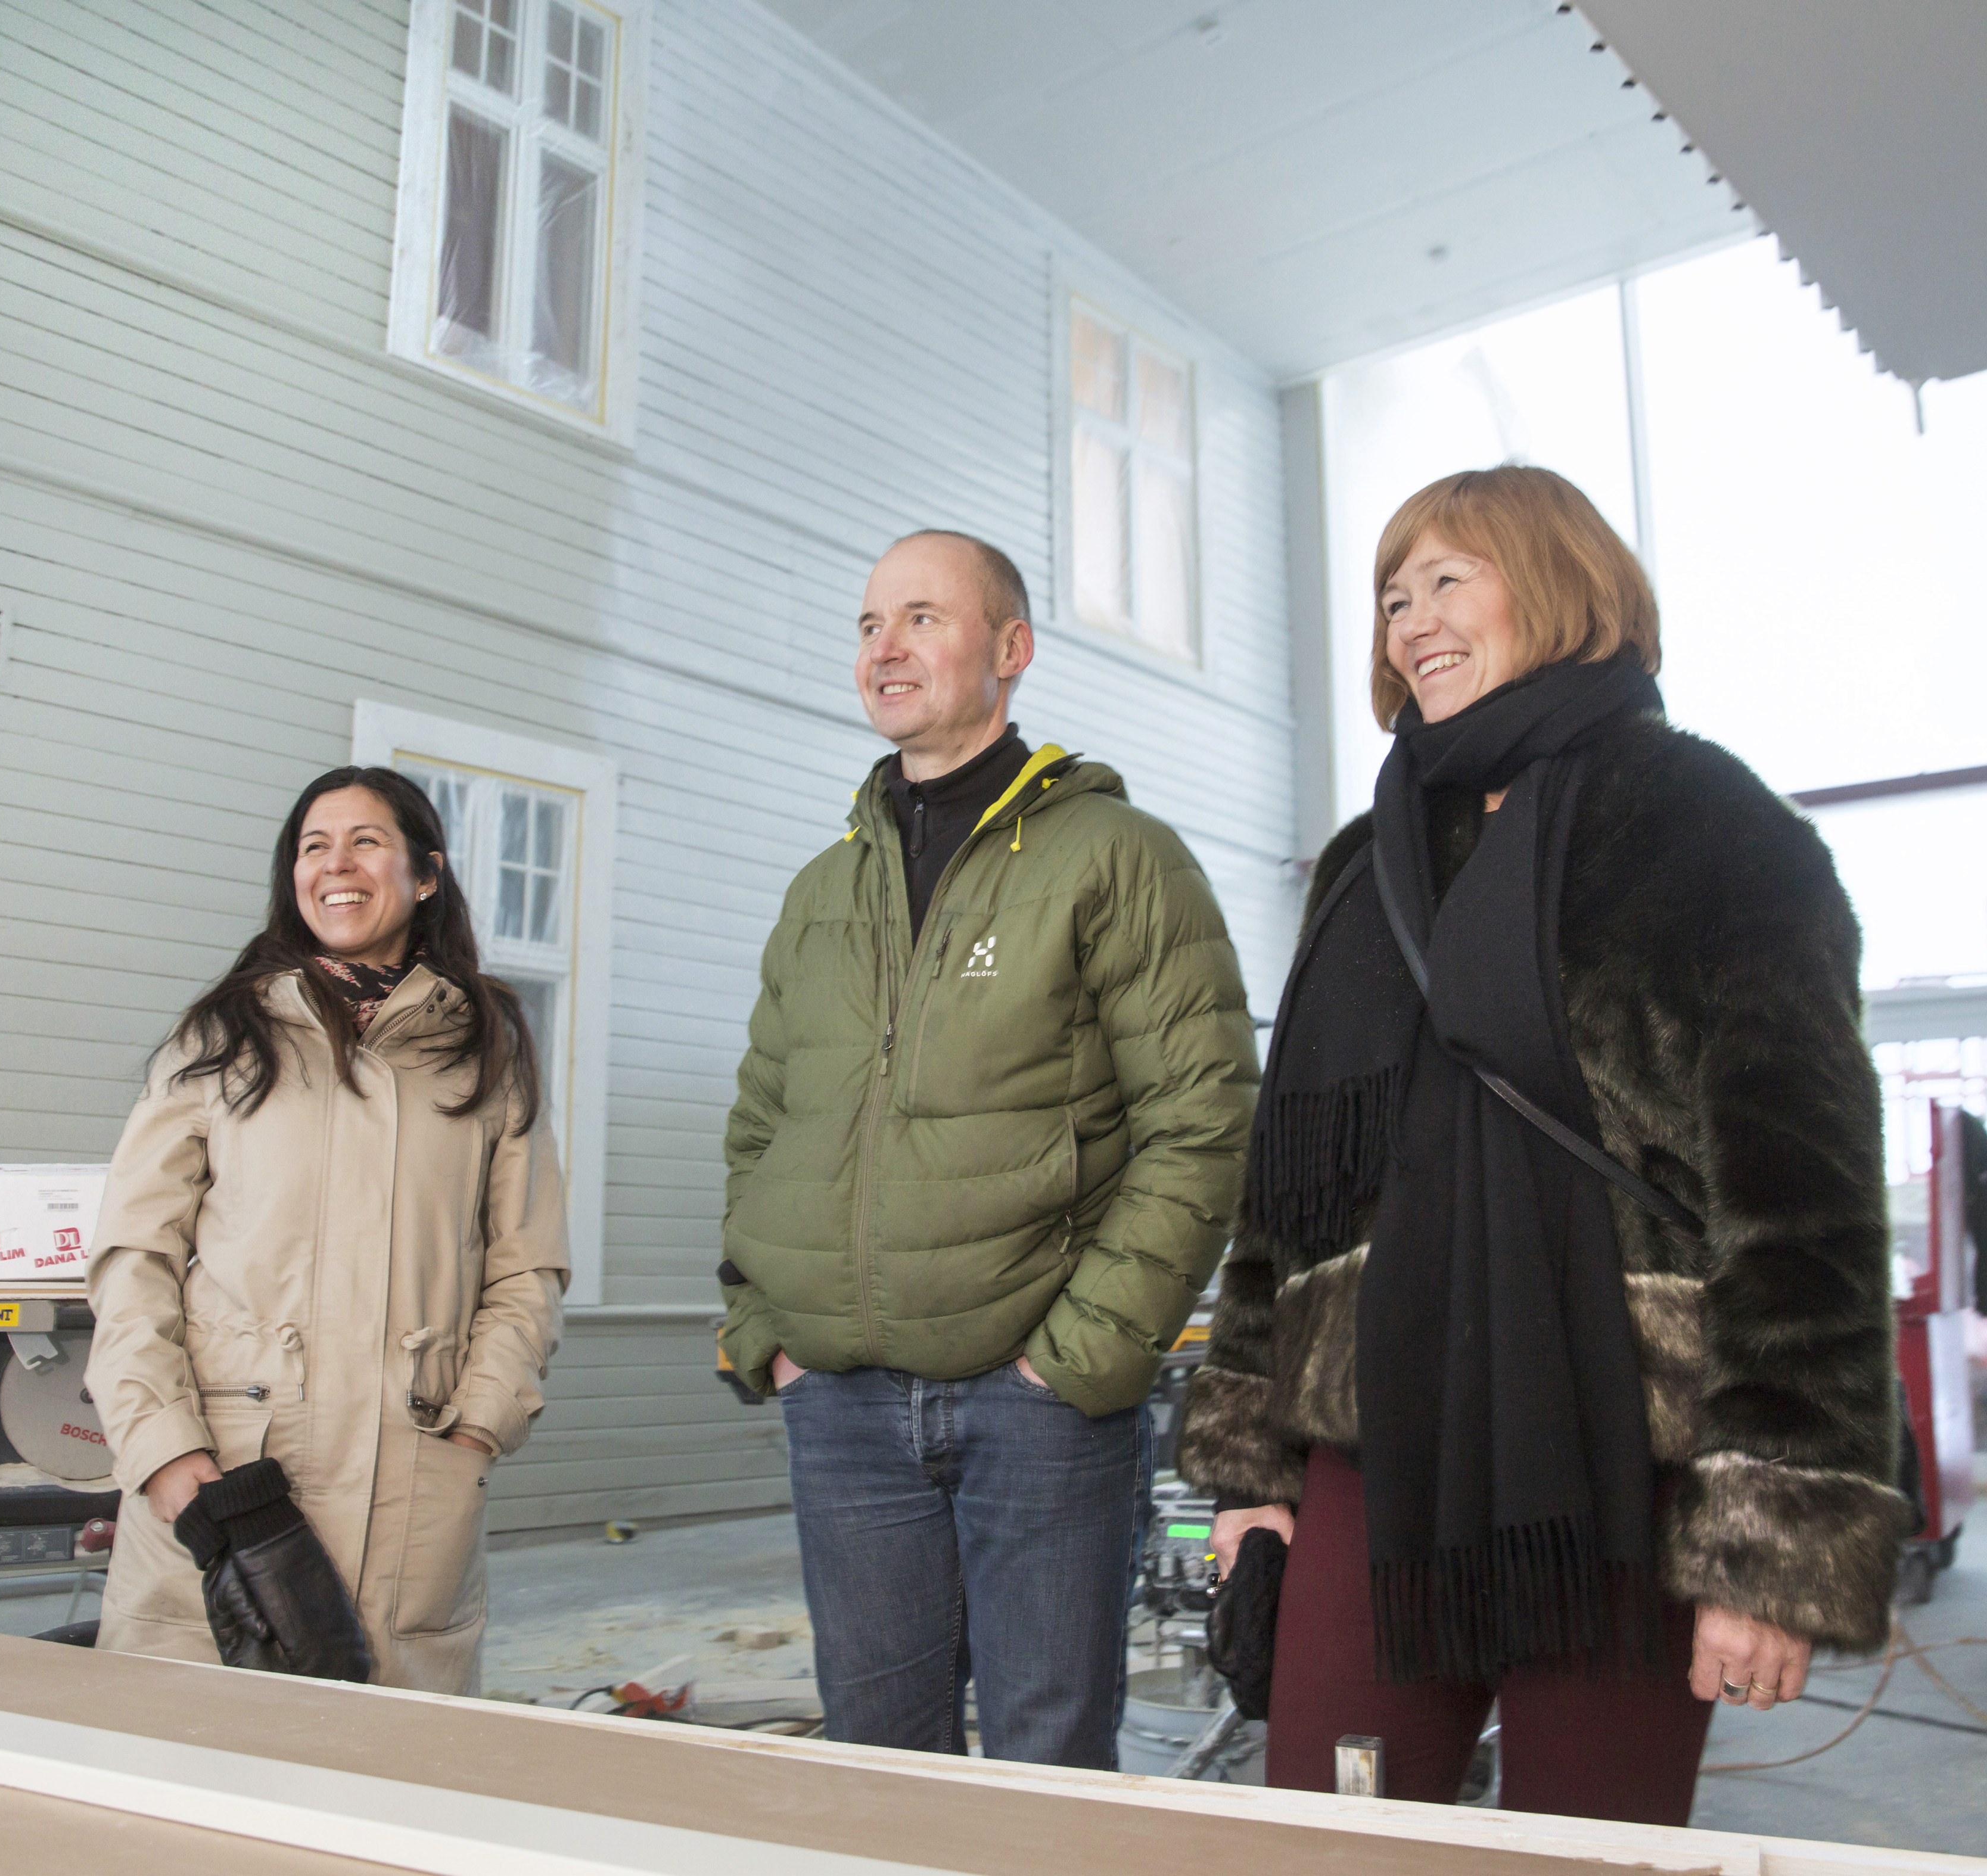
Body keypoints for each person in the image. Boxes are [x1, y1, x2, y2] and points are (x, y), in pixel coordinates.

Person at [1177, 467, 1908, 1823]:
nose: (1410, 621)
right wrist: (1249, 1475)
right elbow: (1286, 1199)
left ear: (1563, 584)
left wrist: (1768, 1548)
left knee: (1591, 1846)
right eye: (1392, 597)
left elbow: (1806, 1214)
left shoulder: (1717, 832)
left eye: (1448, 580)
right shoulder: (1364, 865)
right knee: (1325, 1831)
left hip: (1624, 1466)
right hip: (1371, 1451)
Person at [719, 528, 1260, 1768]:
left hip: (1037, 1408)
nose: (886, 647)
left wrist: (1080, 1355)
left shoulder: (1116, 857)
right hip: (842, 1406)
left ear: (1010, 649)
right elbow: (760, 1123)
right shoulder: (822, 893)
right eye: (869, 624)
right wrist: (768, 1331)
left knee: (1045, 1767)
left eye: (922, 617)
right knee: (880, 1767)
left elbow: (1203, 1115)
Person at [85, 765, 568, 1691]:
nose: (336, 864)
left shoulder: (487, 1047)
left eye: (365, 841)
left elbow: (527, 1266)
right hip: (230, 1483)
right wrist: (166, 1451)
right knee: (186, 1751)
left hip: (412, 1486)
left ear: (425, 875)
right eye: (315, 846)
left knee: (384, 1765)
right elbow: (133, 1257)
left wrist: (477, 1427)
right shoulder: (222, 1036)